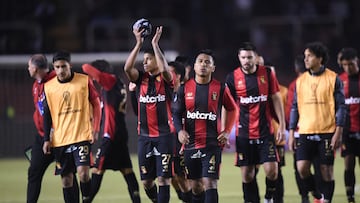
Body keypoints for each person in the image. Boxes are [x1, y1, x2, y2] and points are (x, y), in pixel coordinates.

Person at [173, 49, 238, 203]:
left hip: (212, 144)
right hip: (191, 145)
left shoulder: (220, 88)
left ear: (213, 68)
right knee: (196, 186)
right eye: (200, 61)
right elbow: (176, 113)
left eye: (207, 62)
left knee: (210, 182)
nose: (203, 65)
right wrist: (179, 131)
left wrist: (227, 131)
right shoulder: (184, 89)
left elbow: (232, 108)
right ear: (194, 66)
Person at [225, 42, 286, 203]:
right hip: (244, 133)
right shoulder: (232, 78)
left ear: (256, 57)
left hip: (265, 131)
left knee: (272, 171)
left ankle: (269, 197)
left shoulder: (266, 73)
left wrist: (282, 124)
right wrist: (224, 130)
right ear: (239, 58)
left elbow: (276, 98)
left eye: (250, 57)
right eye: (243, 57)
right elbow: (226, 105)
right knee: (247, 174)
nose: (246, 60)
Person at [288, 42, 346, 203]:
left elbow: (341, 107)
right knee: (302, 168)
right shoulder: (300, 81)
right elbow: (295, 108)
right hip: (305, 132)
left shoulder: (333, 78)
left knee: (327, 171)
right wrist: (292, 132)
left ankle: (326, 200)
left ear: (320, 58)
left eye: (310, 56)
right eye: (305, 56)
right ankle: (316, 194)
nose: (305, 59)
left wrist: (338, 132)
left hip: (327, 131)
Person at [124, 26, 176, 203]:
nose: (144, 62)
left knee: (163, 179)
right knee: (147, 181)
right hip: (144, 137)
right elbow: (127, 68)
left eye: (148, 59)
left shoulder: (167, 80)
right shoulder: (140, 79)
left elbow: (164, 70)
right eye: (144, 59)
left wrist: (155, 44)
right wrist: (138, 43)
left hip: (164, 136)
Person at [42, 51, 101, 203]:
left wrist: (96, 128)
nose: (60, 70)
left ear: (70, 65)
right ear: (53, 68)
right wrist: (46, 140)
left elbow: (96, 104)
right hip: (60, 139)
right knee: (66, 180)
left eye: (63, 66)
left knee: (83, 173)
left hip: (81, 135)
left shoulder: (84, 80)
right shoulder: (48, 87)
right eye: (57, 67)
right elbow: (46, 115)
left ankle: (87, 198)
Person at [82, 60, 141, 203]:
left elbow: (86, 67)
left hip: (111, 135)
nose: (95, 79)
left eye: (97, 75)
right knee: (127, 171)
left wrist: (96, 72)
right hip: (120, 133)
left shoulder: (110, 81)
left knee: (97, 171)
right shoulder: (117, 84)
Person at [26, 54, 79, 203]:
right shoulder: (36, 85)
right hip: (43, 138)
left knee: (67, 175)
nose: (28, 69)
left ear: (35, 68)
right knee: (34, 172)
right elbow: (40, 111)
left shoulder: (56, 82)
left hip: (61, 137)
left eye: (29, 66)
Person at [168, 60, 192, 203]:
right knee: (173, 177)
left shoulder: (188, 91)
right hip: (167, 139)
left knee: (188, 178)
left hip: (184, 140)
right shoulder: (163, 90)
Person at [338, 47, 360, 203]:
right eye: (345, 65)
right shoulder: (340, 80)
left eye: (350, 64)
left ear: (356, 61)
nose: (348, 67)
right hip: (347, 131)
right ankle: (350, 197)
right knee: (348, 165)